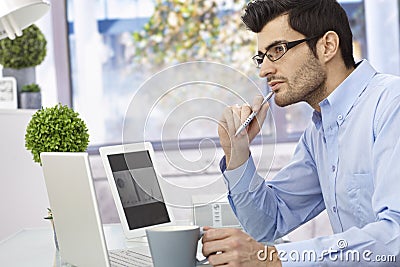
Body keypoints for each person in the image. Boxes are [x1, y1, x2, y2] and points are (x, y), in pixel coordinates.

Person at [201, 0, 400, 266]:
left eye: (278, 50)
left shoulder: (391, 104)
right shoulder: (319, 131)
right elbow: (269, 223)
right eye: (262, 57)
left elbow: (395, 236)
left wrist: (273, 258)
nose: (264, 70)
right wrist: (237, 154)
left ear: (327, 45)